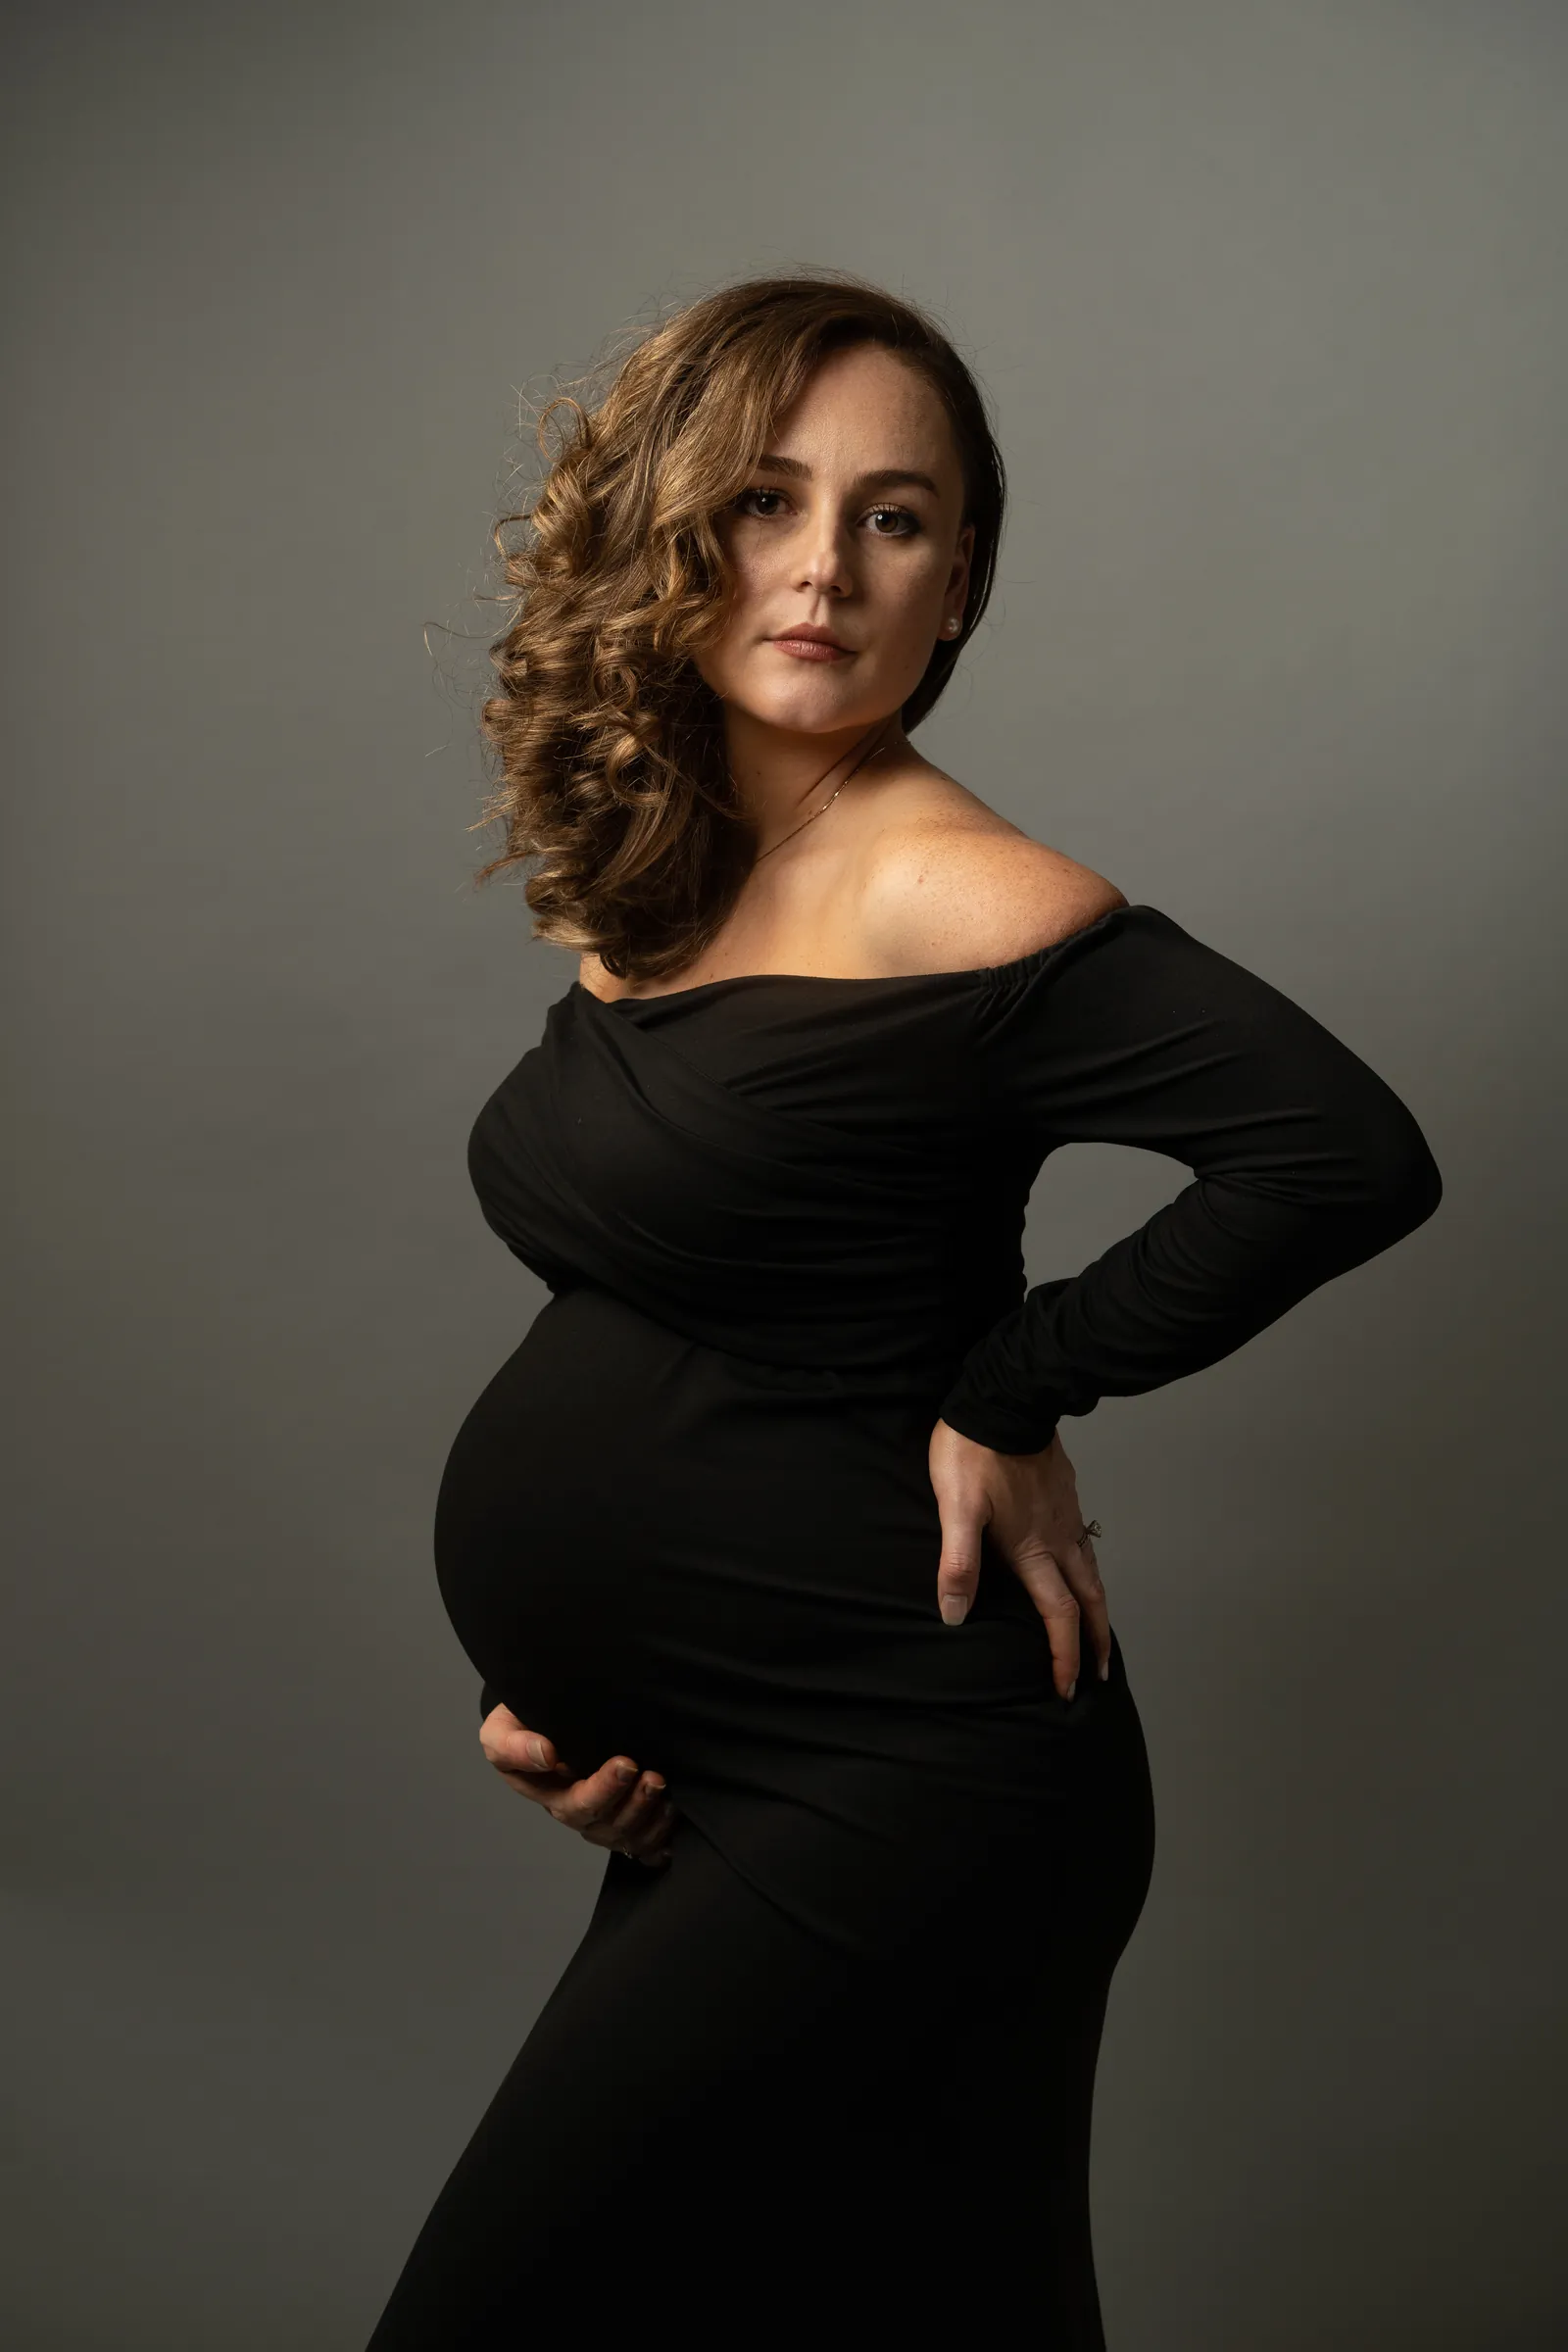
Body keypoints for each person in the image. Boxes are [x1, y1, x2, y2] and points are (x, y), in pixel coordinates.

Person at [367, 274, 1441, 2346]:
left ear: (955, 587)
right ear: (675, 531)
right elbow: (718, 1311)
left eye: (894, 518)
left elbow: (1339, 1152)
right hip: (743, 1768)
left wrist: (1015, 1384)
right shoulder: (682, 881)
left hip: (902, 1775)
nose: (822, 569)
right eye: (766, 501)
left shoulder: (948, 883)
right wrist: (583, 1687)